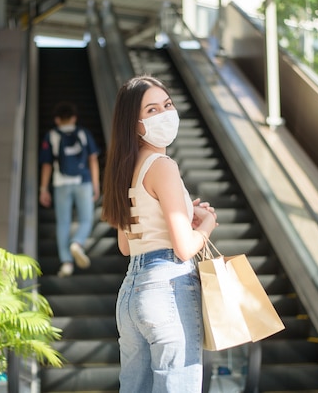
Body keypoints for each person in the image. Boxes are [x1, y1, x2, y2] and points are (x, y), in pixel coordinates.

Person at [101, 75, 218, 392]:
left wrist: (180, 212)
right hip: (168, 287)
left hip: (131, 294)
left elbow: (127, 246)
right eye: (152, 110)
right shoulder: (162, 165)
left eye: (167, 105)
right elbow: (183, 249)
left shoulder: (125, 170)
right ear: (136, 124)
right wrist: (207, 222)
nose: (165, 114)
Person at [39, 101, 100, 277]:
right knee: (86, 220)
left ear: (57, 119)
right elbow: (93, 160)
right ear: (74, 118)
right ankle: (78, 243)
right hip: (84, 181)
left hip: (61, 184)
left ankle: (66, 263)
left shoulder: (51, 136)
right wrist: (96, 185)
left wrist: (43, 189)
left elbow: (47, 165)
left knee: (63, 223)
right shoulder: (83, 133)